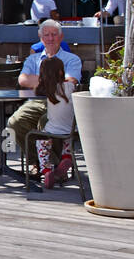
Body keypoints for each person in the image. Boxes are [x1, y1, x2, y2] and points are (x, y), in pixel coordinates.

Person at [7, 19, 83, 161]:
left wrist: (37, 81)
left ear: (61, 37)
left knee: (45, 123)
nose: (50, 38)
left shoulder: (72, 59)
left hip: (60, 103)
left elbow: (71, 81)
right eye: (46, 35)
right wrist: (55, 80)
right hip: (36, 101)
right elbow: (22, 80)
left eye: (54, 34)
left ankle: (51, 165)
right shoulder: (33, 59)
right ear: (41, 38)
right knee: (15, 122)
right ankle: (41, 163)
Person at [34, 56, 76, 189]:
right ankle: (66, 155)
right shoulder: (69, 86)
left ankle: (46, 170)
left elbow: (36, 92)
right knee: (68, 135)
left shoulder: (46, 89)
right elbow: (73, 82)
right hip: (71, 129)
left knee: (41, 140)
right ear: (61, 72)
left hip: (53, 131)